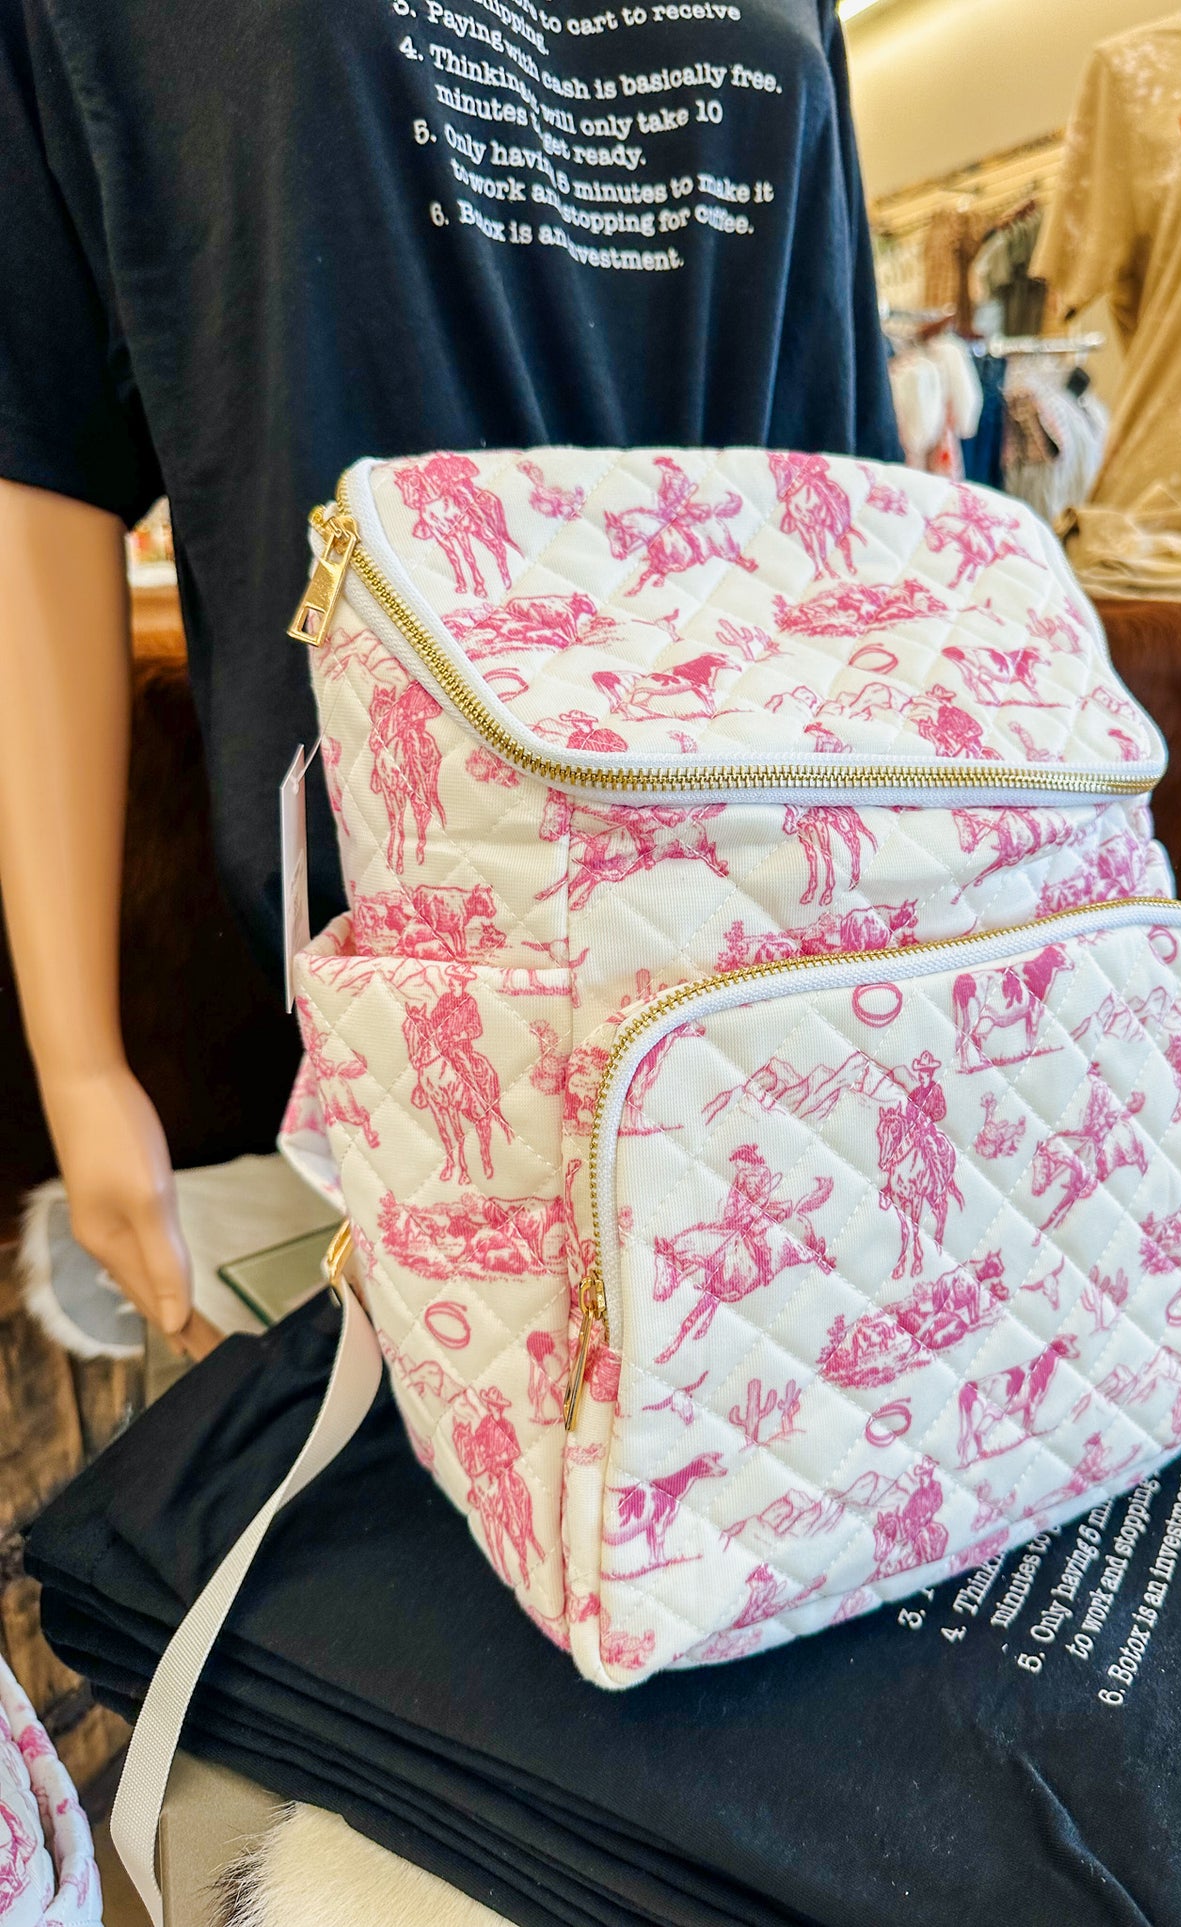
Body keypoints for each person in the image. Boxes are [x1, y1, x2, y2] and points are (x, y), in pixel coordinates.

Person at [0, 0, 899, 1344]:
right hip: (419, 934)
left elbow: (843, 456)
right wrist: (78, 1063)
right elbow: (40, 458)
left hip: (783, 887)